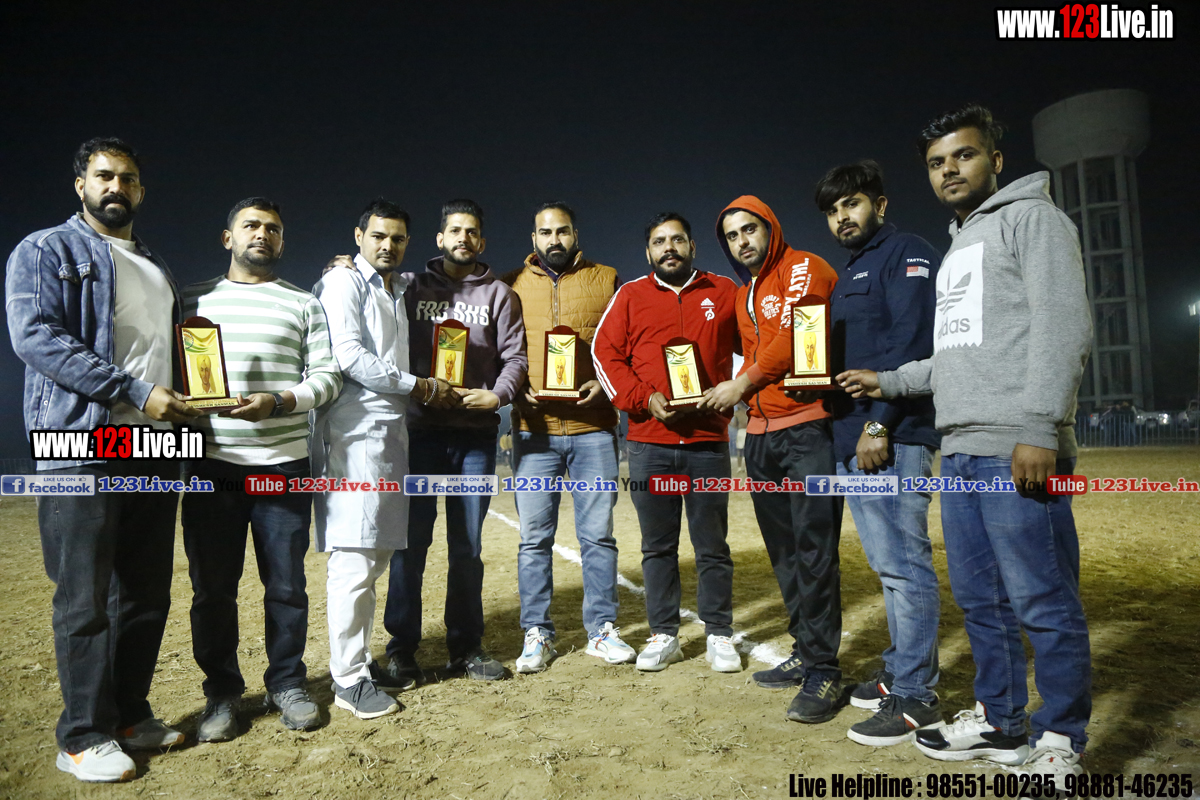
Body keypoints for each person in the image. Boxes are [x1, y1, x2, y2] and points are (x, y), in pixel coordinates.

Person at [839, 104, 1093, 778]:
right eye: (937, 162)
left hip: (1018, 446)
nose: (950, 169)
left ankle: (1060, 740)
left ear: (996, 160)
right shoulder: (960, 244)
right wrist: (891, 381)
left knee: (1043, 600)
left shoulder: (1032, 219)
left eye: (964, 155)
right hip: (960, 449)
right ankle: (1001, 722)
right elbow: (955, 354)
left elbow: (1064, 326)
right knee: (981, 600)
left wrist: (1039, 426)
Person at [5, 137, 201, 783]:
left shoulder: (155, 264)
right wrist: (134, 392)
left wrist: (194, 401)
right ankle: (82, 736)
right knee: (84, 598)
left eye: (129, 178)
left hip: (153, 445)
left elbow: (172, 350)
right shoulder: (45, 249)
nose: (117, 186)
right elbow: (36, 336)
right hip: (80, 442)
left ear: (141, 190)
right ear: (81, 185)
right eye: (104, 175)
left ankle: (128, 716)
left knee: (144, 591)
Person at [182, 197, 342, 741]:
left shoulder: (303, 304)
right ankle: (222, 693)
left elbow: (327, 377)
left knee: (287, 586)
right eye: (250, 225)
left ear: (282, 240)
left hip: (283, 466)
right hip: (212, 467)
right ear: (228, 238)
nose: (262, 234)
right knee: (212, 591)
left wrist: (279, 401)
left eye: (273, 228)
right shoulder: (191, 300)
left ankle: (288, 684)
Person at [311, 198, 457, 719]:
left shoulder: (394, 288)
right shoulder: (343, 282)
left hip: (389, 434)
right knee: (354, 558)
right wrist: (420, 385)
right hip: (354, 435)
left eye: (396, 238)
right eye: (377, 236)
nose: (387, 245)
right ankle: (348, 680)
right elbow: (348, 355)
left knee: (373, 557)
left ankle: (358, 668)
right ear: (359, 237)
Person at [815, 160, 944, 746]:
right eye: (833, 209)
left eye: (852, 203)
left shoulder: (907, 253)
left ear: (880, 205)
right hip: (854, 439)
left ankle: (917, 694)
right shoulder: (850, 271)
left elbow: (912, 344)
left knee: (906, 565)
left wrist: (878, 424)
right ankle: (899, 670)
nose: (842, 217)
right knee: (887, 565)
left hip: (891, 436)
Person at [703, 196, 844, 724]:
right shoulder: (744, 294)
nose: (742, 241)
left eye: (750, 229)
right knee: (784, 553)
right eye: (732, 235)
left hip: (807, 430)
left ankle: (825, 670)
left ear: (770, 227)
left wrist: (741, 383)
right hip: (762, 436)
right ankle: (805, 649)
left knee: (815, 551)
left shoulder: (805, 267)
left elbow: (789, 338)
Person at [383, 199, 527, 682]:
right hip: (419, 434)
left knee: (467, 547)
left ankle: (465, 647)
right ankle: (402, 648)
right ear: (440, 239)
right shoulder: (409, 286)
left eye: (472, 231)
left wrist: (498, 396)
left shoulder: (500, 295)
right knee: (410, 545)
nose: (463, 238)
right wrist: (345, 266)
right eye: (455, 230)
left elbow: (516, 358)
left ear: (481, 241)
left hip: (474, 440)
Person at [592, 212, 741, 673]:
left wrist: (735, 389)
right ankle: (664, 634)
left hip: (707, 442)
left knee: (712, 545)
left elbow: (754, 345)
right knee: (657, 546)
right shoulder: (630, 296)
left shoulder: (724, 291)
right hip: (649, 446)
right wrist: (643, 398)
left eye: (677, 239)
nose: (669, 247)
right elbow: (604, 353)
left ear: (693, 246)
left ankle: (719, 633)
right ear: (648, 252)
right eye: (659, 241)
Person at [501, 202, 635, 673]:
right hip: (533, 433)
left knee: (598, 537)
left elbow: (626, 346)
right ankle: (537, 633)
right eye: (545, 232)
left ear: (575, 234)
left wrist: (606, 384)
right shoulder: (510, 284)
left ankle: (601, 630)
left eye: (562, 231)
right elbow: (499, 349)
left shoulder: (608, 279)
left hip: (593, 429)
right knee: (534, 540)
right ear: (533, 238)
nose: (553, 240)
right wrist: (514, 387)